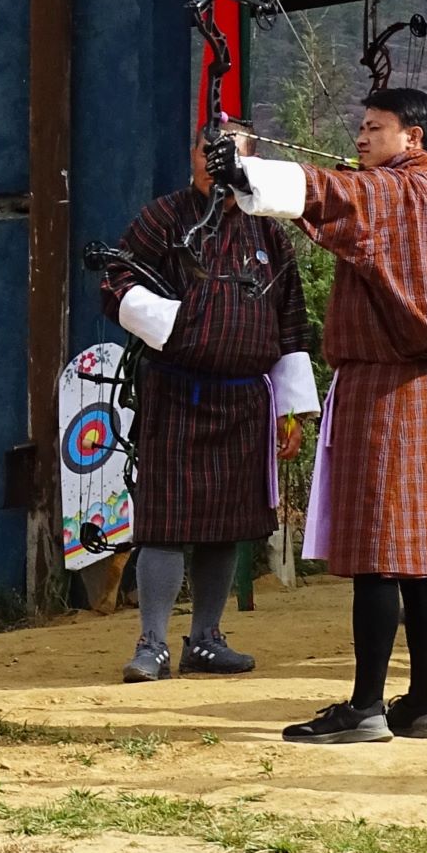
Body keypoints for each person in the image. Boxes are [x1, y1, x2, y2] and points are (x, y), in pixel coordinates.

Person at [216, 87, 427, 744]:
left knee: (379, 554)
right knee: (418, 557)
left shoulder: (395, 193)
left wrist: (246, 170)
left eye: (373, 127)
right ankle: (421, 702)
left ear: (411, 139)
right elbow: (346, 202)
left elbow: (331, 193)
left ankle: (365, 706)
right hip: (423, 391)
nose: (360, 138)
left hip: (383, 389)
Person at [98, 122, 317, 684]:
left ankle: (206, 639)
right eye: (208, 150)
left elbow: (290, 321)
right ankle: (151, 644)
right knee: (167, 526)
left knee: (226, 526)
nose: (217, 162)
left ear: (251, 163)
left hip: (245, 402)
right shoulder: (164, 218)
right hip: (176, 392)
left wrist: (289, 410)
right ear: (192, 155)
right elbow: (115, 278)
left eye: (233, 153)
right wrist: (173, 324)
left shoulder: (270, 235)